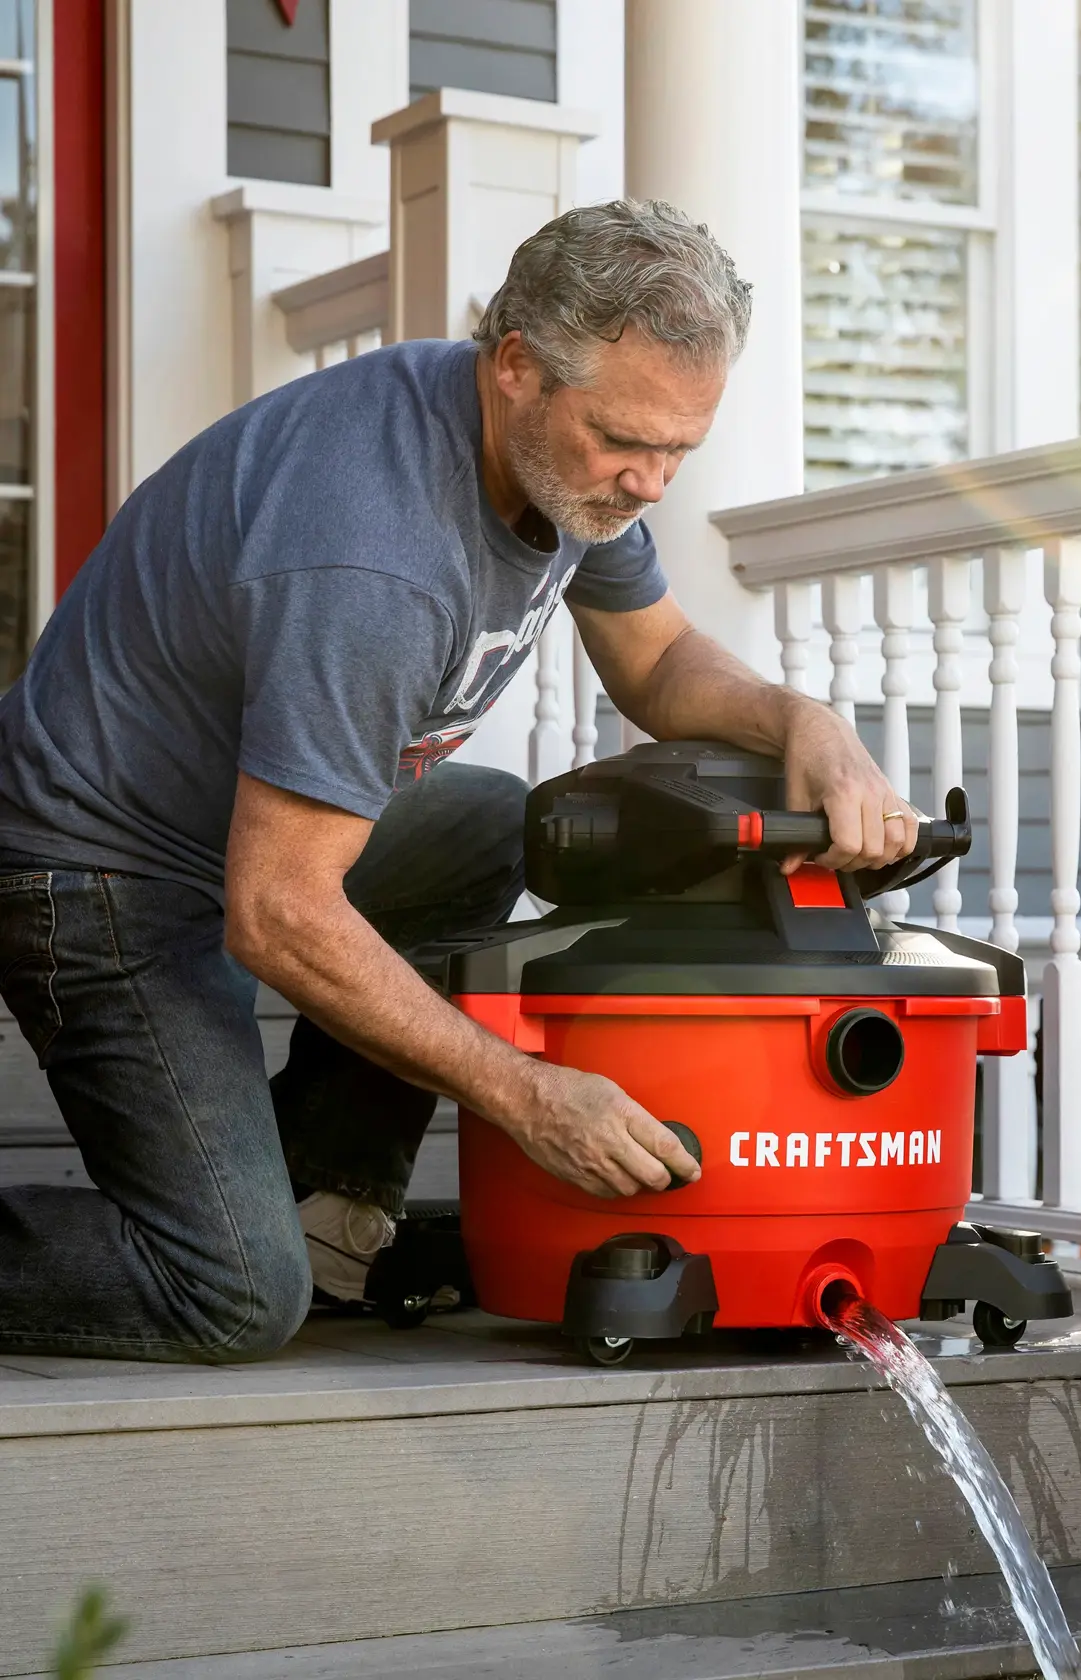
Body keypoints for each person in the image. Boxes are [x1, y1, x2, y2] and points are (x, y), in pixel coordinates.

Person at [0, 200, 918, 1364]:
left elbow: (656, 656)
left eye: (680, 450)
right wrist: (527, 1095)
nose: (650, 482)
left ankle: (323, 1198)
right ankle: (253, 1241)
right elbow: (280, 911)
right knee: (228, 1293)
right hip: (92, 873)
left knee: (480, 817)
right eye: (628, 441)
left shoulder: (560, 461)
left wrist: (806, 721)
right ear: (518, 364)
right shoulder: (374, 553)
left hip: (231, 839)